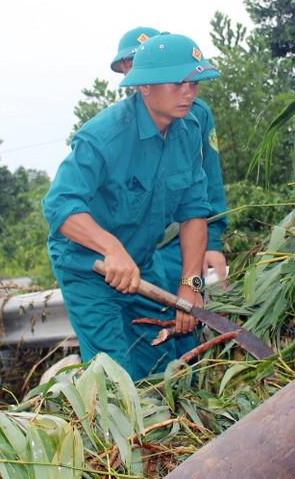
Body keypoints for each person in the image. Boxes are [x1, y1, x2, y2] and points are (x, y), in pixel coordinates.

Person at [43, 32, 220, 380]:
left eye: (194, 83)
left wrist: (191, 282)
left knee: (158, 365)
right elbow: (60, 205)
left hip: (143, 264)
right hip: (88, 269)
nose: (189, 92)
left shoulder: (188, 130)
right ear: (144, 86)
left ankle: (165, 433)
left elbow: (194, 211)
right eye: (177, 82)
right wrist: (111, 248)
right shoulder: (103, 136)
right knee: (116, 378)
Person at [111, 27, 230, 358]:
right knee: (144, 333)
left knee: (187, 318)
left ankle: (189, 388)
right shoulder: (119, 126)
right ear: (123, 70)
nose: (137, 69)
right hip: (137, 250)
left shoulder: (195, 113)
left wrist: (214, 242)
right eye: (130, 63)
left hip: (182, 243)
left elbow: (206, 183)